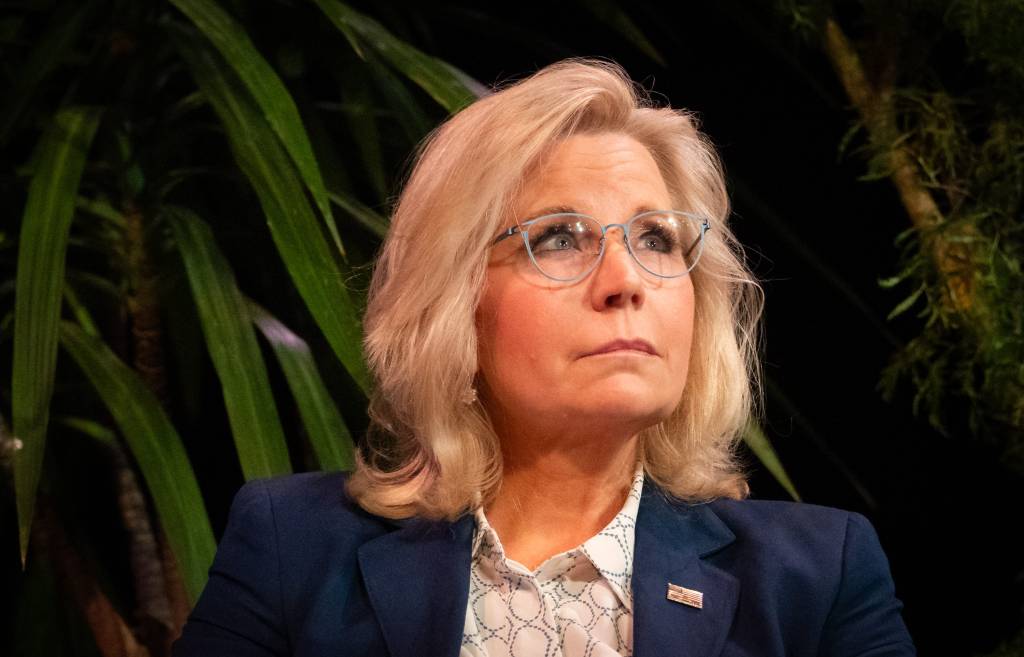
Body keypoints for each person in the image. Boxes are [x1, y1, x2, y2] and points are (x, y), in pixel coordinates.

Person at [172, 59, 915, 657]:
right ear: (452, 305)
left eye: (656, 238)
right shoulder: (292, 548)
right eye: (560, 237)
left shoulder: (818, 578)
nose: (626, 281)